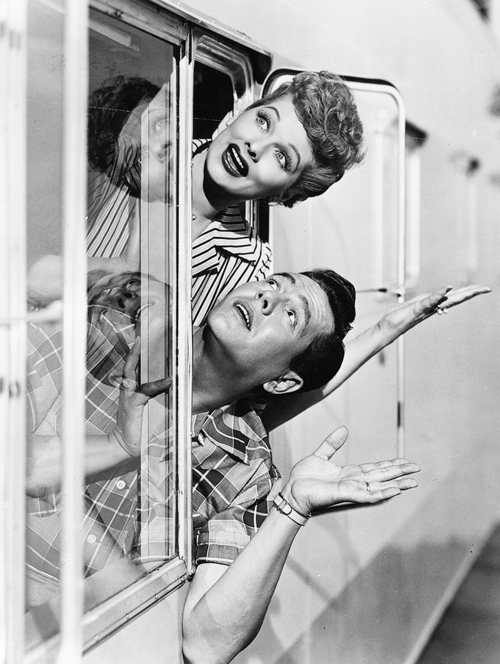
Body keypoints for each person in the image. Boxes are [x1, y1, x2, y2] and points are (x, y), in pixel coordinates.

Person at [25, 269, 418, 611]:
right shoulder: (122, 329)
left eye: (291, 315)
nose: (267, 297)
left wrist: (293, 508)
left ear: (282, 381)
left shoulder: (243, 469)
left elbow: (201, 644)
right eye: (273, 283)